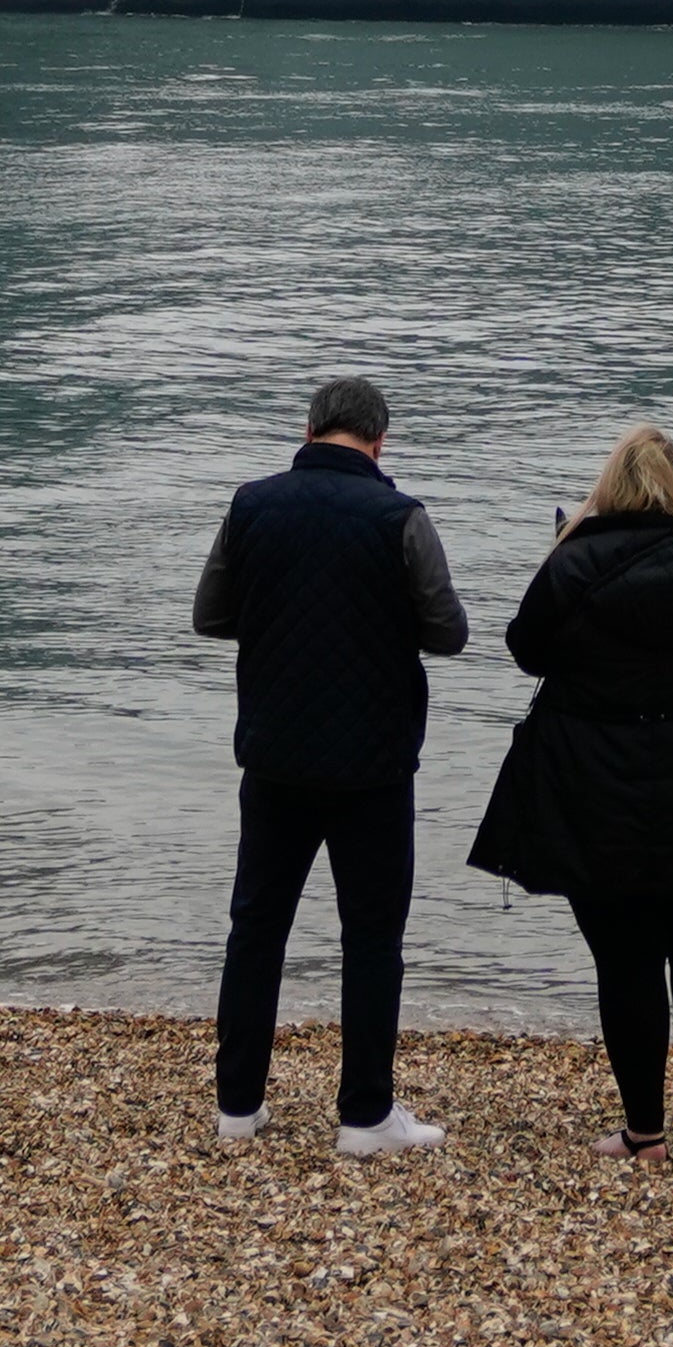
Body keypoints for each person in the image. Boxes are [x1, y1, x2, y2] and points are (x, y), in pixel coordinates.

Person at [192, 373, 467, 1156]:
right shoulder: (400, 517)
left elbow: (209, 615)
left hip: (274, 754)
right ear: (379, 443)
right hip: (374, 765)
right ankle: (364, 1115)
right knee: (372, 937)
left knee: (257, 928)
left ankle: (238, 1106)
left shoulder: (252, 504)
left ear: (309, 430)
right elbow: (448, 632)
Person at [480, 422, 673, 1158]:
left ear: (608, 487)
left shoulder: (573, 564)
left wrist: (557, 555)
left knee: (626, 957)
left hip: (596, 786)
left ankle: (644, 1131)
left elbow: (526, 652)